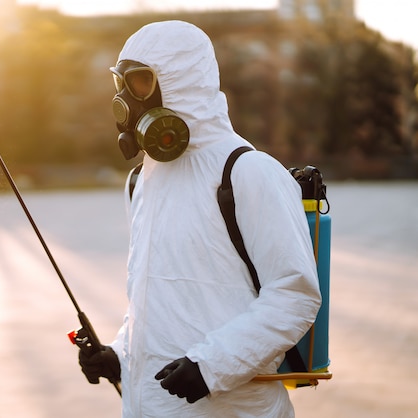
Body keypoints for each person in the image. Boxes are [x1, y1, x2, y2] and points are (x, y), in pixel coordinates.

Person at [78, 20, 322, 417]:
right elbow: (155, 297)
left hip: (235, 406)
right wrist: (119, 354)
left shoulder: (248, 171)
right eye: (120, 84)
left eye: (139, 82)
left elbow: (294, 295)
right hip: (149, 406)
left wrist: (211, 366)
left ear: (182, 81)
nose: (126, 100)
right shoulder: (142, 180)